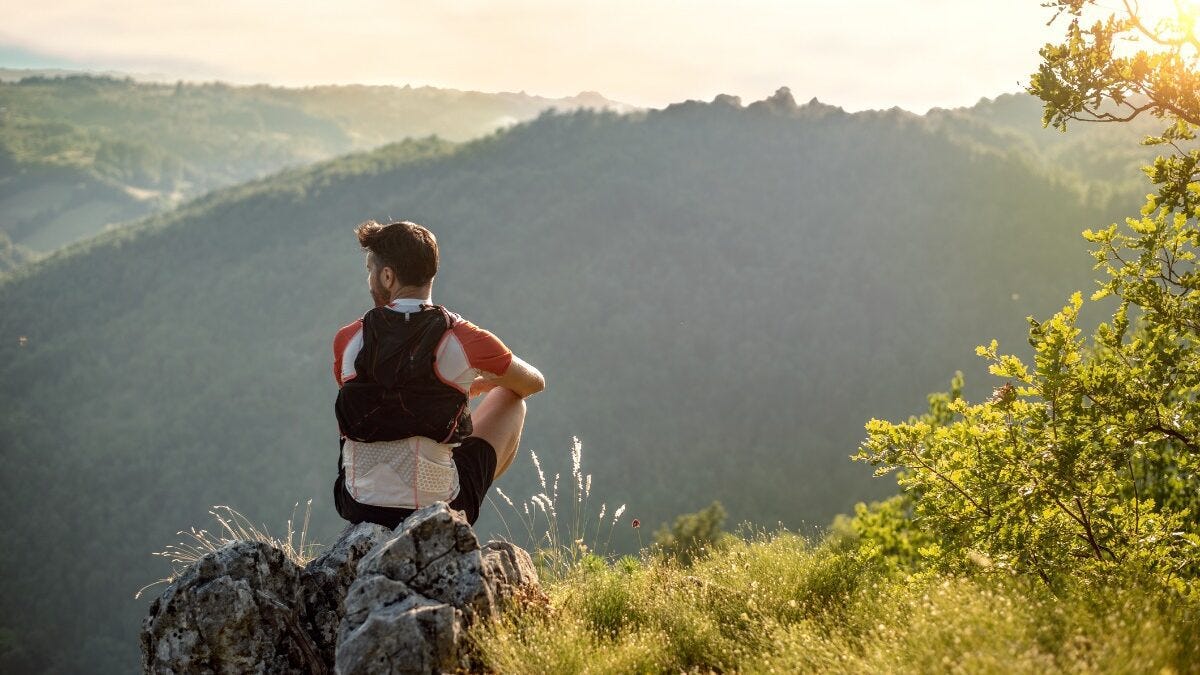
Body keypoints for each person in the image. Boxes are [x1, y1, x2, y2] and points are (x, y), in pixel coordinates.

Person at [331, 219, 544, 527]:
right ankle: (453, 512)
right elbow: (534, 382)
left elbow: (381, 403)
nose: (369, 279)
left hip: (355, 504)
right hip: (436, 512)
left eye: (369, 270)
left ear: (387, 276)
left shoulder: (348, 339)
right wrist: (477, 383)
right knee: (512, 399)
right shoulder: (465, 337)